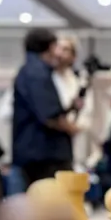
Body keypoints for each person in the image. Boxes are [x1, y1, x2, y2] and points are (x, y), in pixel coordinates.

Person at [12, 28, 77, 188]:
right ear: (50, 47)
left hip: (32, 151)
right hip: (45, 154)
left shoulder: (28, 71)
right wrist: (71, 128)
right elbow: (49, 115)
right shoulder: (38, 73)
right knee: (51, 198)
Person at [52, 35, 94, 167]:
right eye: (58, 48)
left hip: (70, 146)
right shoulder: (42, 79)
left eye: (65, 49)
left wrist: (72, 127)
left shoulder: (79, 83)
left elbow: (87, 115)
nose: (60, 53)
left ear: (73, 56)